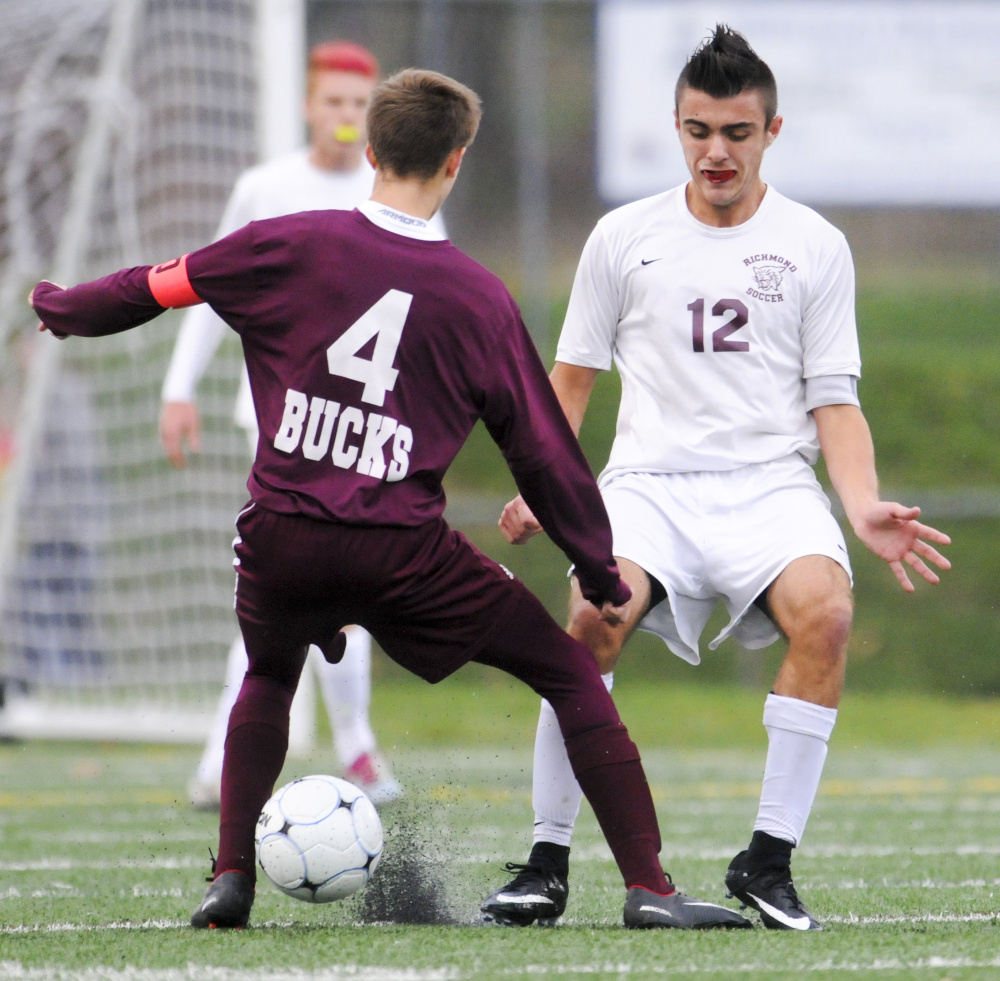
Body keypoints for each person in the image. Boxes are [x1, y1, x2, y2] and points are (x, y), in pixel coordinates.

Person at [31, 68, 753, 932]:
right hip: (401, 548)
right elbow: (543, 451)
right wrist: (596, 565)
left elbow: (153, 287)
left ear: (369, 152)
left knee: (266, 673)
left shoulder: (282, 243)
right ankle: (650, 887)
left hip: (284, 532)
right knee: (567, 670)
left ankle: (231, 878)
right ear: (454, 164)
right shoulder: (479, 297)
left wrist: (62, 307)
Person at [480, 24, 951, 932]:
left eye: (737, 132)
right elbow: (567, 384)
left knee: (829, 613)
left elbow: (836, 403)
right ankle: (545, 860)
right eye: (699, 130)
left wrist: (860, 506)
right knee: (592, 619)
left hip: (771, 487)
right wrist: (545, 481)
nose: (716, 151)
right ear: (677, 126)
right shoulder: (623, 236)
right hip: (649, 484)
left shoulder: (816, 244)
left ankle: (767, 863)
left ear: (773, 132)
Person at [159, 40, 434, 809]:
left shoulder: (397, 194)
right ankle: (239, 751)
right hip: (278, 427)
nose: (346, 118)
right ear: (310, 106)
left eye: (359, 105)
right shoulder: (266, 187)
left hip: (364, 430)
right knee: (272, 585)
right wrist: (179, 388)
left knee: (346, 589)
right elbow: (208, 288)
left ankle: (353, 745)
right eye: (335, 103)